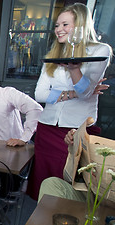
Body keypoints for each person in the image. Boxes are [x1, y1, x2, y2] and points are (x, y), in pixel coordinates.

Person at [28, 3, 112, 200]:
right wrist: (74, 93)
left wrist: (75, 70)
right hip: (47, 127)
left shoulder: (100, 51)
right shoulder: (54, 52)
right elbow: (40, 94)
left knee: (68, 186)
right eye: (57, 25)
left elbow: (84, 92)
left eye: (65, 25)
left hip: (75, 130)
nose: (59, 30)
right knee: (42, 182)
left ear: (81, 26)